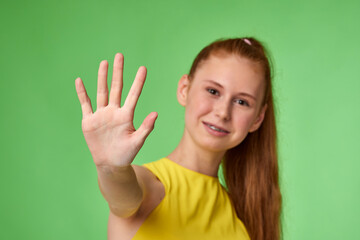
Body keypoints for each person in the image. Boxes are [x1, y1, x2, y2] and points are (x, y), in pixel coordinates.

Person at [75, 37, 282, 240]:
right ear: (185, 89)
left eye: (241, 102)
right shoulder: (151, 187)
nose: (223, 112)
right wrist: (110, 167)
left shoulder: (240, 222)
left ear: (258, 119)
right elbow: (122, 195)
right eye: (213, 91)